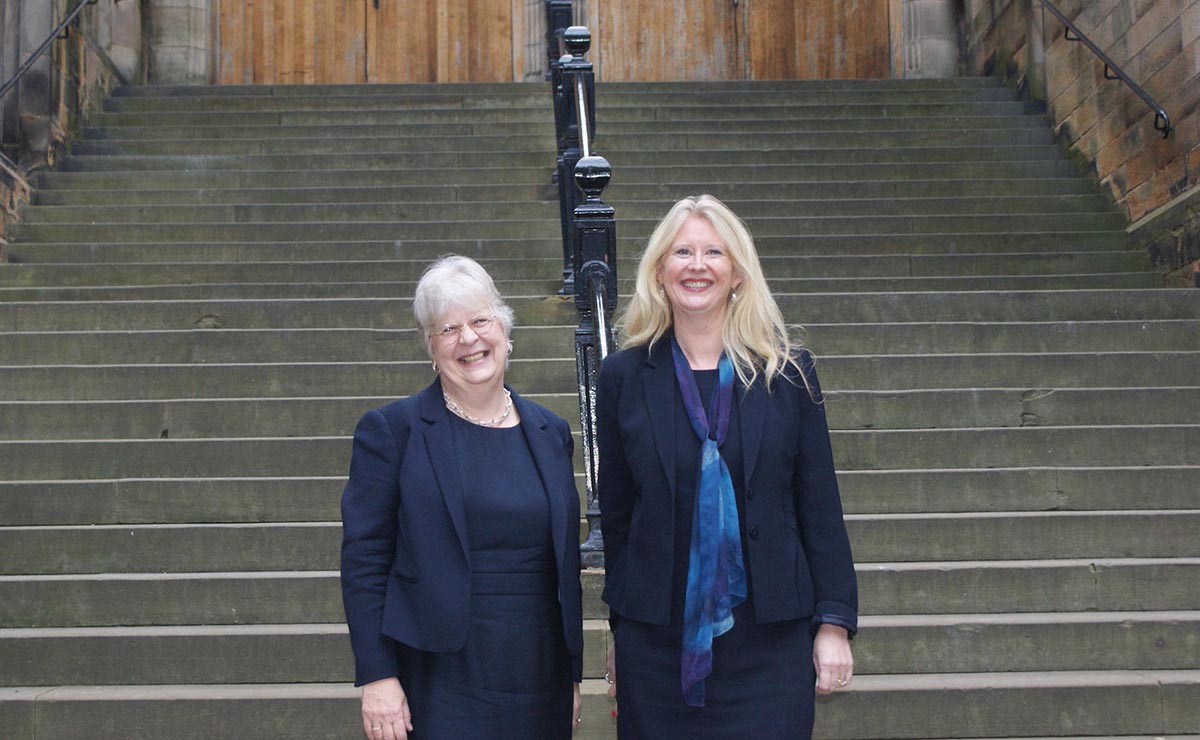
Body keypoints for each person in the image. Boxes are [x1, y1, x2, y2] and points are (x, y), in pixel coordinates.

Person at [597, 195, 857, 739]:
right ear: (660, 272)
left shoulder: (788, 374)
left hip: (770, 642)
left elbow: (819, 506)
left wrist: (833, 622)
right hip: (656, 645)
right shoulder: (622, 377)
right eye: (682, 252)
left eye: (713, 252)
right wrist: (621, 631)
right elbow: (619, 518)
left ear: (736, 272)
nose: (697, 265)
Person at [340, 255, 583, 740]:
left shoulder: (550, 431)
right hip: (439, 678)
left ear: (505, 330)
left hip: (540, 674)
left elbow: (563, 566)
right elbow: (365, 561)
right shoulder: (393, 432)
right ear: (431, 349)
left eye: (479, 320)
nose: (468, 339)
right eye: (448, 329)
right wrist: (377, 675)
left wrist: (573, 672)